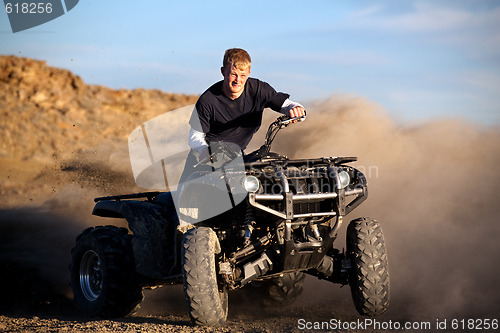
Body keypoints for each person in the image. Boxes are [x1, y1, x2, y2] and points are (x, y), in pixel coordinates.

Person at [180, 48, 305, 183]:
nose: (237, 80)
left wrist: (296, 109)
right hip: (205, 159)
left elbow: (285, 105)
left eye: (243, 75)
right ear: (223, 71)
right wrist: (205, 151)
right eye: (233, 74)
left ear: (249, 73)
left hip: (236, 157)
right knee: (186, 199)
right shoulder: (208, 100)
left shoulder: (258, 89)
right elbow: (195, 136)